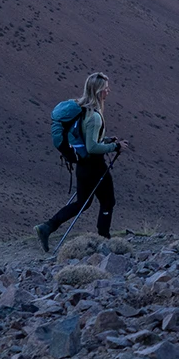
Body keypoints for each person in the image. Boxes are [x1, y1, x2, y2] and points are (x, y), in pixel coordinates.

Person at [35, 72, 123, 251]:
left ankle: (47, 227)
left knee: (82, 203)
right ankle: (104, 239)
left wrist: (106, 140)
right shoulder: (94, 116)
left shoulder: (83, 109)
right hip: (95, 167)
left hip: (83, 167)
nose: (108, 91)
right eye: (106, 88)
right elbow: (92, 147)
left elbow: (85, 138)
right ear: (98, 91)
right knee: (108, 201)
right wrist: (115, 147)